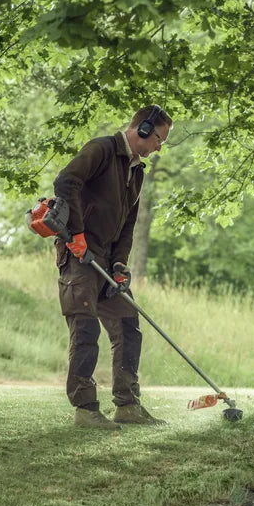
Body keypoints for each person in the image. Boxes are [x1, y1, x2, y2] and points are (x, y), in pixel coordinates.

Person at [52, 105, 173, 430]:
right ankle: (86, 410)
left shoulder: (136, 170)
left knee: (128, 328)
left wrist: (120, 263)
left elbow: (128, 222)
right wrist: (76, 234)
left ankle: (128, 405)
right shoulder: (102, 149)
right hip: (79, 256)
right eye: (160, 139)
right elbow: (65, 182)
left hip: (106, 259)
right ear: (144, 130)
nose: (159, 147)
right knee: (86, 329)